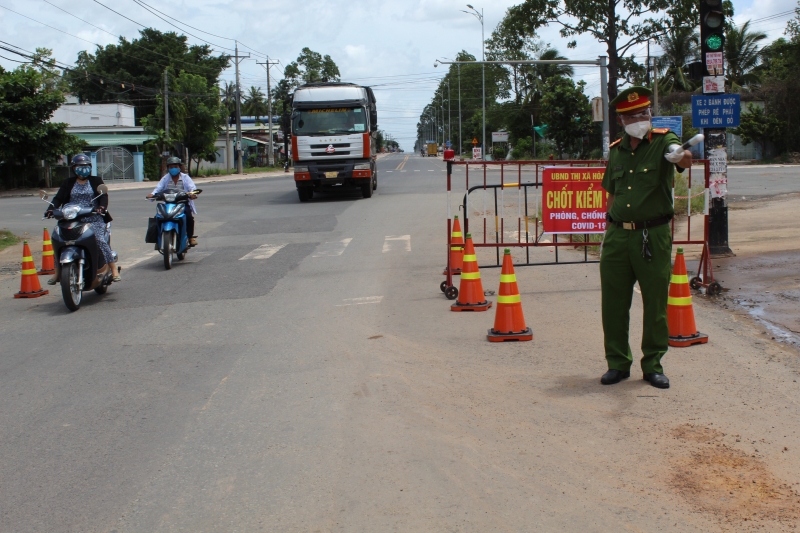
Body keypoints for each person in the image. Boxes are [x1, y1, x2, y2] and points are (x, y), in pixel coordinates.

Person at [599, 86, 692, 390]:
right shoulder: (615, 150)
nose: (642, 118)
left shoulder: (664, 140)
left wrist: (682, 156)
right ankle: (617, 363)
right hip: (617, 236)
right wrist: (606, 231)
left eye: (645, 112)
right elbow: (612, 194)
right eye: (634, 115)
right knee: (613, 304)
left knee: (655, 303)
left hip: (653, 234)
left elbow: (683, 159)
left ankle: (653, 364)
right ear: (622, 120)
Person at [45, 154, 120, 284]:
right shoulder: (68, 182)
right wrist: (51, 209)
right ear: (74, 168)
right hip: (71, 217)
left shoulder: (96, 180)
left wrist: (101, 207)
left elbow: (103, 196)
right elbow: (58, 198)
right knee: (59, 240)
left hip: (93, 216)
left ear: (90, 167)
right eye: (80, 166)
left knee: (99, 239)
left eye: (86, 166)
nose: (83, 169)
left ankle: (113, 269)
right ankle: (57, 273)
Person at [147, 157, 199, 246]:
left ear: (179, 167)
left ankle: (190, 237)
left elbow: (192, 188)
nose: (173, 168)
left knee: (189, 217)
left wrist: (193, 194)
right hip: (169, 203)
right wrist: (152, 194)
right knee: (158, 217)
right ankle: (157, 238)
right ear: (168, 168)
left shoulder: (185, 177)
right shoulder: (165, 178)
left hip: (182, 202)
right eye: (171, 167)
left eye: (175, 166)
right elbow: (158, 188)